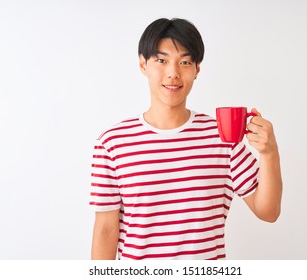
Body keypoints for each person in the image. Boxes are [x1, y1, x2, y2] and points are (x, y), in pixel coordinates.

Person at [90, 18, 282, 260]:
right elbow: (106, 230)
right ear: (142, 64)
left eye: (185, 62)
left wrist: (270, 153)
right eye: (161, 60)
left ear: (197, 69)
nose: (173, 73)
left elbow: (268, 211)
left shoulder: (222, 136)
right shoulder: (112, 142)